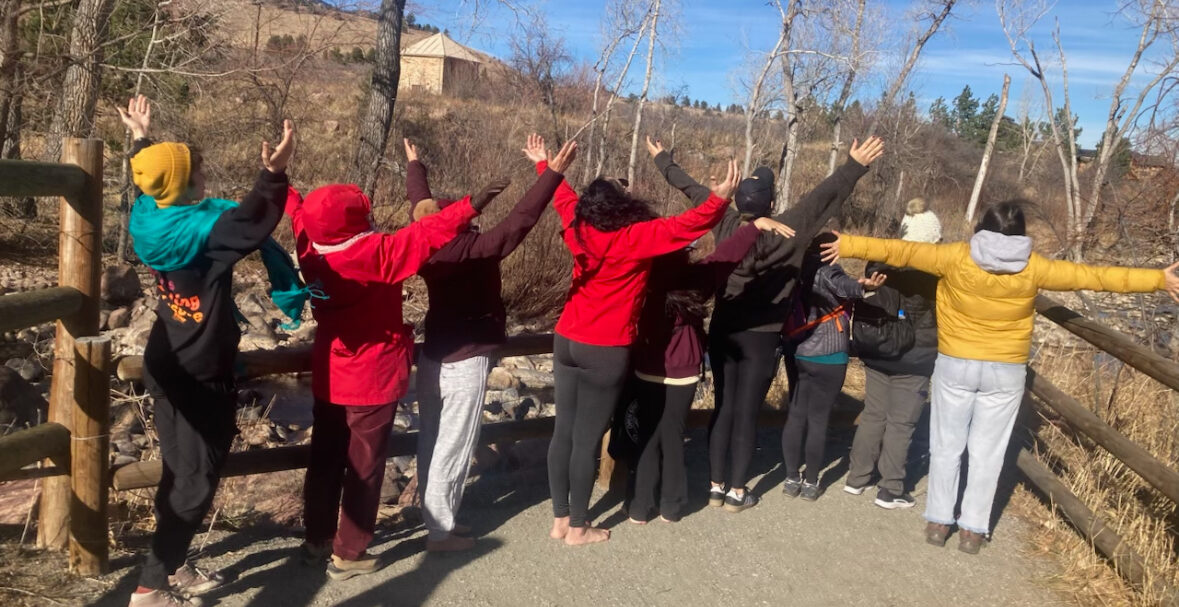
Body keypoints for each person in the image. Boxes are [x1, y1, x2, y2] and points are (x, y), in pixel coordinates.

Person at [821, 200, 1179, 554]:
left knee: (947, 446)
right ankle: (973, 530)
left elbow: (901, 250)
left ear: (981, 227)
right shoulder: (1033, 266)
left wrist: (849, 243)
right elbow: (1094, 276)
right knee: (987, 452)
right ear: (1021, 234)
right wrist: (1157, 279)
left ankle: (938, 522)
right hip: (1005, 370)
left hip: (956, 363)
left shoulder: (956, 257)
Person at [120, 95, 297, 607]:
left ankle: (170, 564)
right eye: (199, 176)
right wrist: (272, 176)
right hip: (200, 371)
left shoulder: (150, 216)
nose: (206, 184)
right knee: (197, 480)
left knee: (179, 472)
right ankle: (151, 587)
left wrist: (141, 141)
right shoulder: (205, 232)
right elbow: (249, 223)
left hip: (164, 360)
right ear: (186, 187)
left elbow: (148, 179)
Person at [292, 164, 507, 579]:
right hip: (371, 379)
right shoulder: (374, 255)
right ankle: (349, 554)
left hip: (329, 371)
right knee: (365, 466)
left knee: (324, 459)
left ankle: (317, 539)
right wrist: (472, 205)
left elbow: (298, 211)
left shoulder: (310, 246)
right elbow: (426, 234)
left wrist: (278, 176)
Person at [651, 137, 884, 512]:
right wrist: (854, 165)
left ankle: (714, 486)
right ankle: (737, 492)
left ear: (739, 202)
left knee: (723, 407)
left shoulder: (725, 223)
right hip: (761, 339)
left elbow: (692, 189)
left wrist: (663, 160)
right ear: (772, 204)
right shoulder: (790, 228)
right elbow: (824, 197)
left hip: (724, 332)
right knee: (746, 413)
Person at [537, 149, 740, 546]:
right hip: (604, 349)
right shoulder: (634, 239)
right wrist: (719, 199)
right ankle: (578, 527)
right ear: (621, 207)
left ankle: (560, 519)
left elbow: (561, 197)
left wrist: (546, 166)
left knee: (563, 434)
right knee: (586, 439)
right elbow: (686, 226)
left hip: (566, 340)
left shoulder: (576, 228)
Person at [410, 135, 578, 552]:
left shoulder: (424, 245)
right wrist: (552, 174)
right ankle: (439, 532)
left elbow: (423, 208)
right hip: (466, 361)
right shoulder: (475, 249)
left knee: (431, 437)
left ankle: (436, 519)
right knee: (455, 444)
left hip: (433, 356)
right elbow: (521, 220)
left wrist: (416, 169)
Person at [626, 203, 795, 523]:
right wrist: (754, 227)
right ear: (684, 254)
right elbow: (725, 257)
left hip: (647, 367)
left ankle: (639, 507)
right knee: (674, 436)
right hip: (682, 371)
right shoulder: (695, 282)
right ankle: (672, 506)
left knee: (648, 435)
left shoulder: (641, 279)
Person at [843, 220, 940, 510]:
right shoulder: (934, 271)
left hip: (879, 348)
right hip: (916, 356)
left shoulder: (882, 259)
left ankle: (857, 477)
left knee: (874, 414)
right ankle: (891, 488)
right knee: (901, 423)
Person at [780, 233, 885, 501]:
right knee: (817, 420)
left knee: (796, 414)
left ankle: (792, 478)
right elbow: (846, 286)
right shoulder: (827, 271)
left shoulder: (796, 269)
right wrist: (865, 286)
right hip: (829, 356)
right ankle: (812, 482)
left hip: (799, 352)